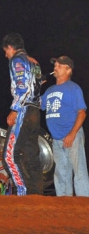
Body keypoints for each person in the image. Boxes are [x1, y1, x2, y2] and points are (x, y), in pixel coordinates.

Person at [1, 33, 43, 196]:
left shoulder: (17, 60)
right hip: (35, 113)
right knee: (32, 155)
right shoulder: (35, 63)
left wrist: (14, 110)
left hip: (24, 111)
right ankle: (36, 194)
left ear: (11, 47)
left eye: (6, 50)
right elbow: (37, 88)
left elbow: (22, 87)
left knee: (9, 157)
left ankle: (23, 193)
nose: (6, 55)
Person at [41, 56, 89, 196]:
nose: (55, 67)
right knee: (61, 172)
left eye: (59, 65)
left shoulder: (73, 88)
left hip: (72, 135)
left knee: (78, 170)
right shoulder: (49, 90)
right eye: (55, 65)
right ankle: (64, 205)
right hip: (56, 139)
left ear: (68, 69)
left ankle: (84, 205)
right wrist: (36, 86)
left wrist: (72, 134)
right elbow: (37, 105)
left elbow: (82, 113)